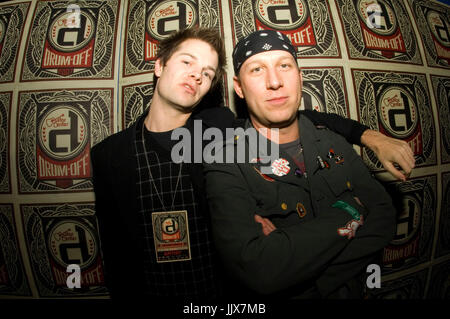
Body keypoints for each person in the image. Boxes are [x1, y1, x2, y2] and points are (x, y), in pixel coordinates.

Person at [91, 27, 412, 301]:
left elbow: (291, 116)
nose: (195, 75)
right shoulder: (109, 154)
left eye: (207, 73)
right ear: (159, 65)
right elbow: (117, 254)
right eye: (187, 62)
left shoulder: (217, 127)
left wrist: (369, 137)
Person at [203, 30, 400, 299]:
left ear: (299, 76)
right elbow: (259, 269)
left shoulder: (334, 140)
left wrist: (305, 276)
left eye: (284, 65)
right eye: (257, 69)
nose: (274, 81)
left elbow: (384, 216)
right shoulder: (225, 160)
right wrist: (353, 210)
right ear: (239, 87)